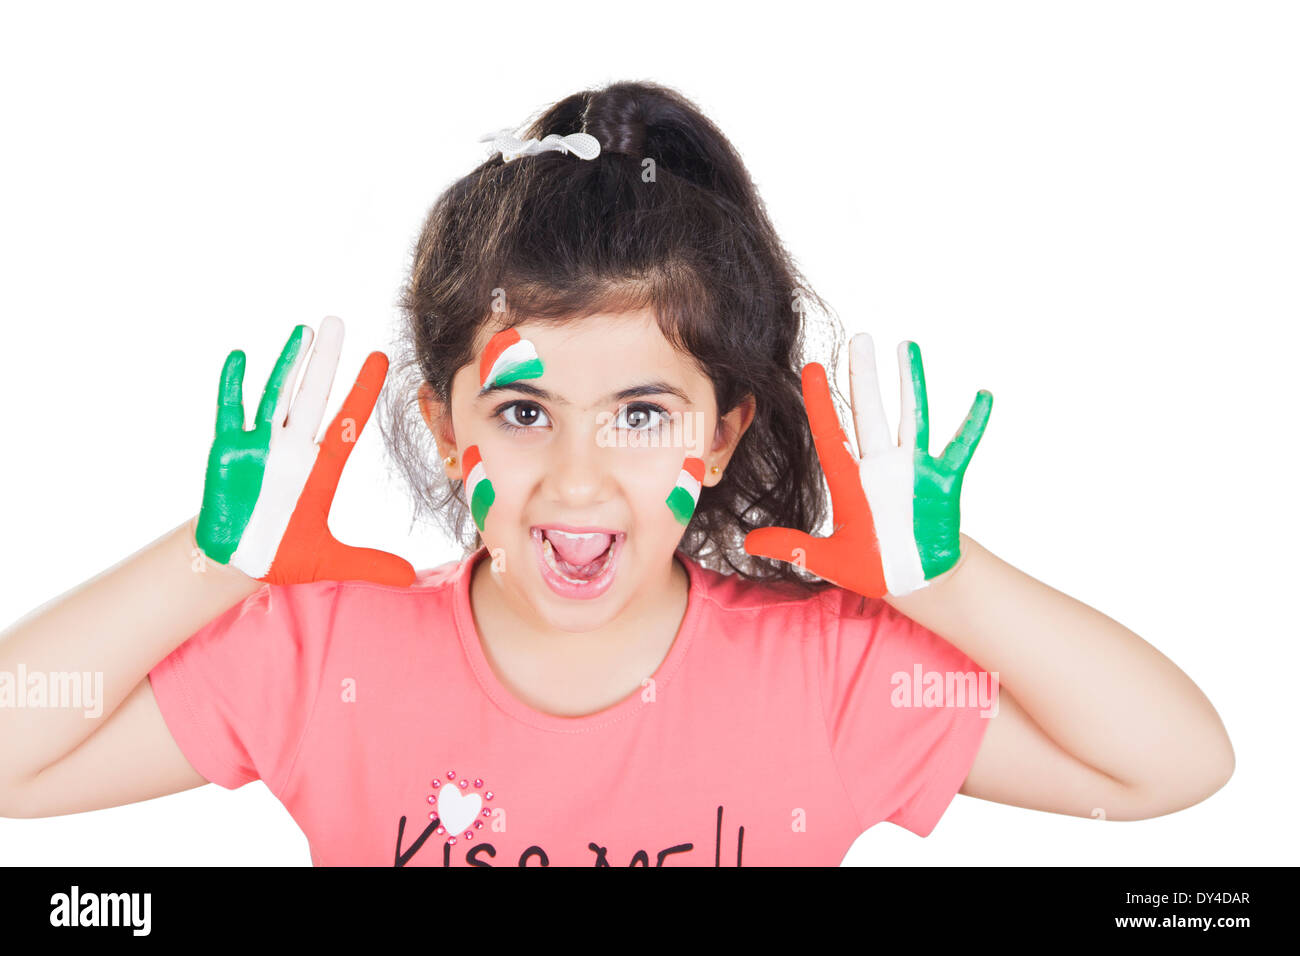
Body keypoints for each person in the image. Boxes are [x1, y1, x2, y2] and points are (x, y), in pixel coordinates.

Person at [0, 81, 1233, 866]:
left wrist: (951, 585)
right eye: (524, 408)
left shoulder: (830, 675)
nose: (577, 478)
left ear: (724, 428)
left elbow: (1172, 766)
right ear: (444, 425)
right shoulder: (320, 655)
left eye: (643, 412)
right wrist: (206, 565)